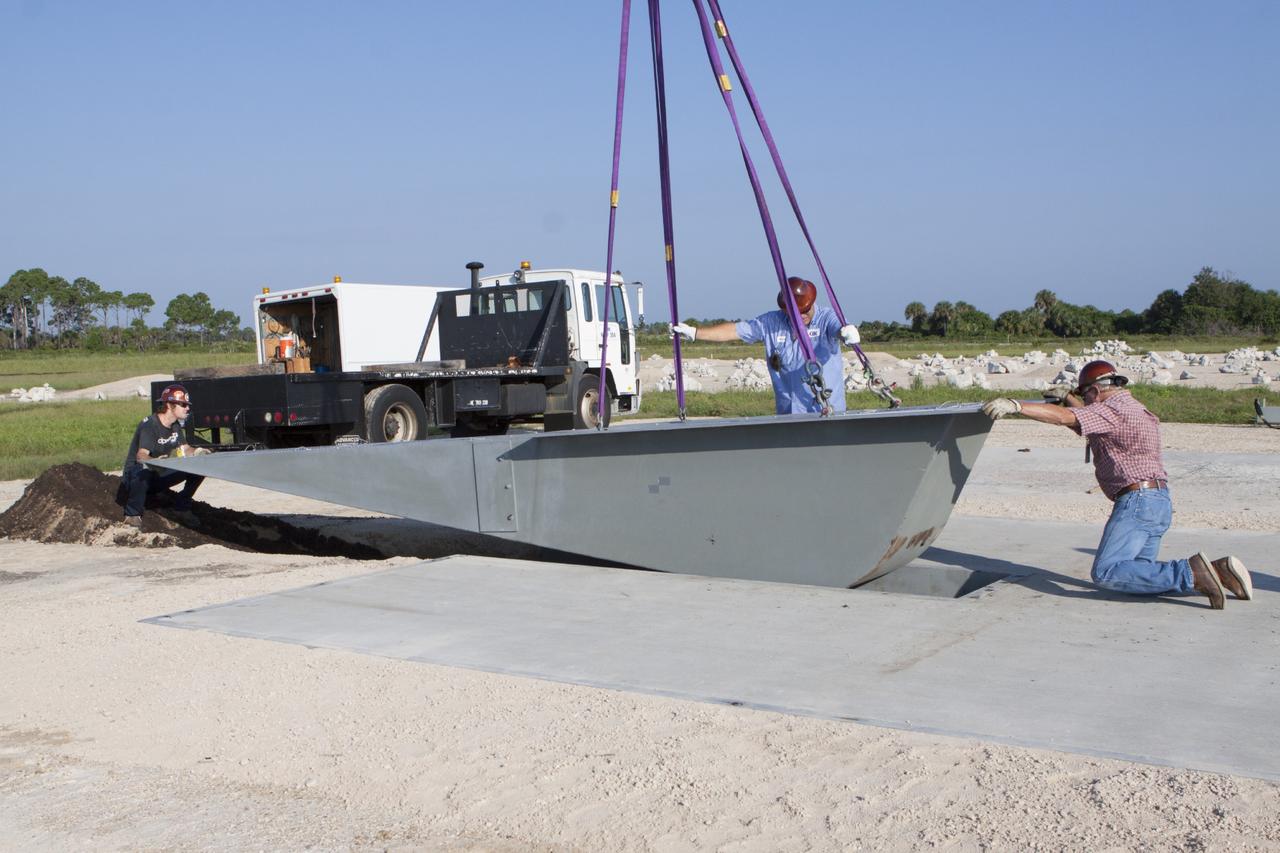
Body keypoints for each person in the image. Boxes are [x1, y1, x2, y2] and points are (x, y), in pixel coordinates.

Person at [981, 360, 1252, 609]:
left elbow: (1066, 418)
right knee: (1137, 577)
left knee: (1107, 572)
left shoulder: (1111, 412)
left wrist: (1016, 405)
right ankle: (1220, 572)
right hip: (1158, 501)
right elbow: (1086, 419)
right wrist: (1068, 397)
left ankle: (1192, 573)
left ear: (1096, 391)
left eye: (1086, 395)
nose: (1085, 402)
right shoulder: (1131, 408)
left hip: (1137, 502)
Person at [672, 277, 861, 414]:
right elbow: (735, 330)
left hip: (824, 411)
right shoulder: (772, 322)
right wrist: (695, 332)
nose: (801, 316)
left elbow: (838, 327)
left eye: (805, 311)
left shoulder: (826, 318)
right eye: (794, 313)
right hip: (788, 414)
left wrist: (846, 332)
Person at [121, 383, 205, 526]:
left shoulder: (175, 426)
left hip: (158, 474)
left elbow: (185, 449)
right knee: (143, 470)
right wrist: (155, 462)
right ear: (169, 405)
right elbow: (141, 456)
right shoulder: (150, 425)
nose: (188, 408)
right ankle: (132, 514)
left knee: (199, 467)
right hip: (135, 478)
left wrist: (198, 453)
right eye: (183, 404)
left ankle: (181, 508)